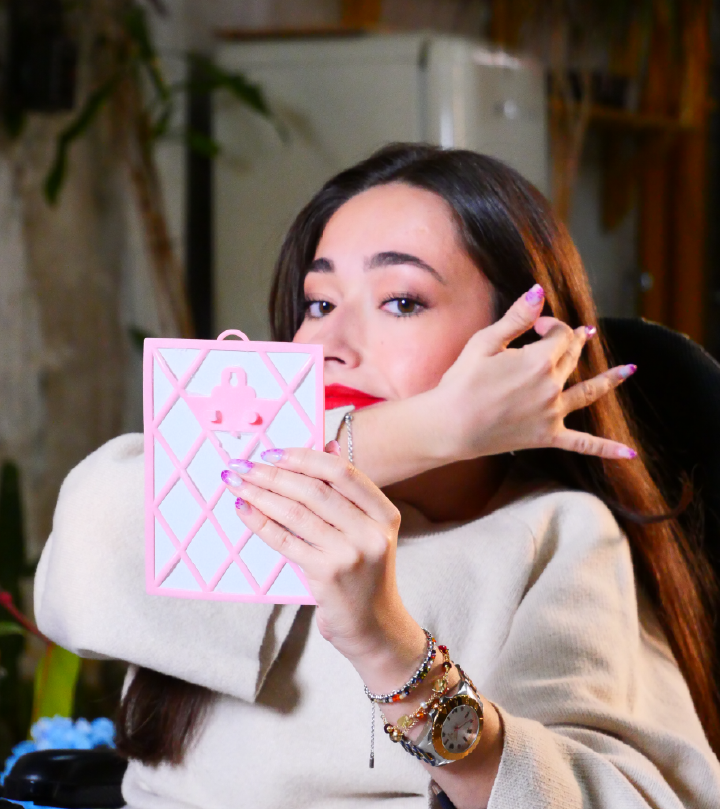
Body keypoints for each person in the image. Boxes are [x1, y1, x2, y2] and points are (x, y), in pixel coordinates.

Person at [35, 144, 720, 809]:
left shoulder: (556, 533)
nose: (331, 345)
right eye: (320, 304)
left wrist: (390, 651)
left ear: (516, 349)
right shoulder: (222, 485)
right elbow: (85, 551)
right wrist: (431, 430)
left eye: (402, 302)